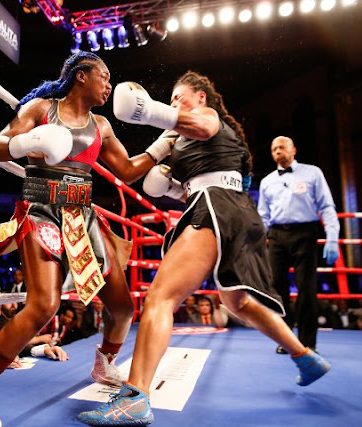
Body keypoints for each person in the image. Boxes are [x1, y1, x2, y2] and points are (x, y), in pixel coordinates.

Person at [78, 72, 331, 425]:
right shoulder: (185, 141)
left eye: (179, 96)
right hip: (235, 213)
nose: (174, 103)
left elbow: (203, 126)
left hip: (217, 209)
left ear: (200, 96)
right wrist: (166, 171)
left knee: (160, 299)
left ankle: (134, 399)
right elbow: (172, 184)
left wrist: (150, 111)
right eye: (171, 99)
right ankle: (304, 356)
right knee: (237, 302)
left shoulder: (208, 117)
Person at [0, 51, 161, 427]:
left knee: (123, 307)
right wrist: (26, 142)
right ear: (81, 76)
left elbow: (127, 170)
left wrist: (165, 146)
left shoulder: (102, 126)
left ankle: (105, 363)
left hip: (83, 216)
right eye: (104, 76)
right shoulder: (41, 109)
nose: (109, 85)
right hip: (41, 208)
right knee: (43, 305)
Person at [257, 135, 340, 354]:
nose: (278, 152)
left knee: (307, 288)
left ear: (293, 149)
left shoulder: (312, 173)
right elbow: (263, 216)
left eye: (282, 147)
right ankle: (286, 341)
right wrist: (256, 243)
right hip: (276, 235)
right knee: (277, 289)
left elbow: (327, 206)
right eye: (274, 149)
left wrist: (332, 237)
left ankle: (308, 343)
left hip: (305, 233)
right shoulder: (267, 181)